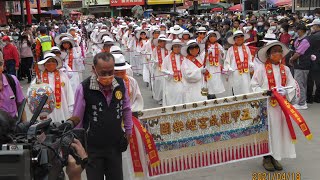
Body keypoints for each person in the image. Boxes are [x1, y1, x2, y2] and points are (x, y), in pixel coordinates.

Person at [72, 52, 132, 180]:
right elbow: (77, 119)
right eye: (103, 73)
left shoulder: (120, 85)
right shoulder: (84, 88)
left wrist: (128, 131)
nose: (107, 76)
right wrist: (80, 146)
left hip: (115, 145)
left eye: (111, 72)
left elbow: (126, 109)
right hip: (93, 147)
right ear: (94, 69)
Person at [251, 40, 297, 171]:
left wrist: (286, 91)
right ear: (269, 54)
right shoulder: (260, 69)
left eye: (279, 51)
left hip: (281, 107)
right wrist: (266, 92)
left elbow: (292, 84)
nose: (277, 54)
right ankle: (266, 157)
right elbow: (254, 86)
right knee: (268, 131)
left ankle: (275, 156)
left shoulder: (286, 69)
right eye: (274, 51)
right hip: (267, 106)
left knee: (279, 131)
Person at [34, 53, 74, 122]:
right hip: (47, 111)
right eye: (48, 62)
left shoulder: (63, 75)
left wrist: (71, 106)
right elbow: (34, 96)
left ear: (56, 63)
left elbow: (69, 92)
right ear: (44, 64)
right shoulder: (39, 79)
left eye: (53, 61)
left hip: (62, 108)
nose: (51, 63)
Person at [224, 30, 253, 95]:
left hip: (245, 72)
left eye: (241, 37)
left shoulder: (247, 48)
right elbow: (227, 62)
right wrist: (229, 68)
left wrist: (251, 64)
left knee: (246, 88)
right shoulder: (230, 49)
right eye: (237, 37)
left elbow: (250, 59)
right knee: (237, 88)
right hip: (235, 72)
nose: (239, 39)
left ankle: (247, 103)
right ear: (234, 39)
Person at [289, 24, 311, 110]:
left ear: (301, 30)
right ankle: (301, 101)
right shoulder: (298, 39)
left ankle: (302, 103)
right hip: (298, 64)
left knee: (300, 84)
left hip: (302, 65)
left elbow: (298, 53)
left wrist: (291, 59)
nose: (296, 32)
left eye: (297, 30)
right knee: (300, 83)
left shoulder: (305, 41)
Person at [200, 30, 225, 99]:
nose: (212, 38)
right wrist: (207, 53)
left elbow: (223, 57)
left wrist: (222, 53)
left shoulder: (219, 45)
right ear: (208, 38)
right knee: (210, 80)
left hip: (217, 66)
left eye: (214, 36)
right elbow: (202, 58)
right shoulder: (205, 46)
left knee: (217, 80)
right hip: (209, 66)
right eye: (211, 36)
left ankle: (218, 96)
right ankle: (210, 95)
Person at [0, 57, 26, 122]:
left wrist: (25, 126)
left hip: (12, 126)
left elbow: (20, 106)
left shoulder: (12, 80)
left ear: (2, 66)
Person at [161, 39, 185, 106]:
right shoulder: (167, 58)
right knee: (172, 97)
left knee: (182, 95)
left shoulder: (184, 57)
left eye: (178, 46)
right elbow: (163, 69)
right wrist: (169, 73)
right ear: (172, 48)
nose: (177, 48)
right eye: (175, 47)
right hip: (171, 81)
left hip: (183, 80)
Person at [151, 34, 171, 105]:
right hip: (158, 69)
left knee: (166, 83)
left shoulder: (168, 50)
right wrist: (155, 61)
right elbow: (152, 58)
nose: (162, 43)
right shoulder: (155, 49)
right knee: (159, 83)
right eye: (161, 41)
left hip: (166, 69)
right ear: (158, 42)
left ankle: (165, 97)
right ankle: (159, 98)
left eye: (164, 41)